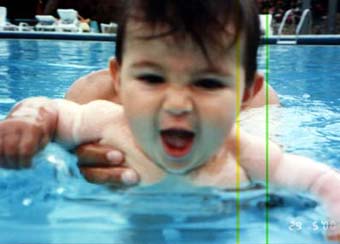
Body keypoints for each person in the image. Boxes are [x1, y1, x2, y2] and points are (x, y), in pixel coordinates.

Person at [0, 0, 339, 240]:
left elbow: (321, 181)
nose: (177, 104)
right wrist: (29, 121)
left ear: (247, 92)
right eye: (151, 78)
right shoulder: (107, 121)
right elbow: (51, 109)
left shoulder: (243, 152)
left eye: (207, 82)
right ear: (117, 78)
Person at [65, 63, 280, 187]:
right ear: (118, 75)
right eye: (151, 79)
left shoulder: (256, 98)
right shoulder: (91, 94)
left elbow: (261, 171)